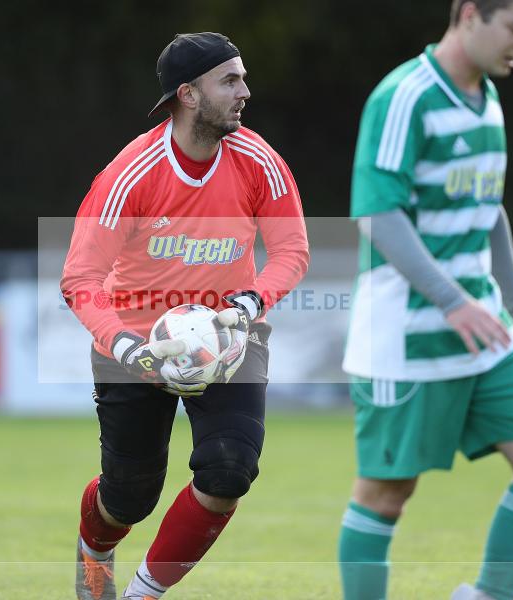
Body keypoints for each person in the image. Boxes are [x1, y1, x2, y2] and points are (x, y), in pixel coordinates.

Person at [60, 32, 309, 600]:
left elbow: (292, 251)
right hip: (135, 347)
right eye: (231, 80)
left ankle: (141, 596)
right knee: (129, 499)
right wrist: (124, 346)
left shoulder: (258, 161)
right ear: (189, 94)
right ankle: (95, 550)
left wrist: (249, 305)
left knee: (229, 472)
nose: (245, 91)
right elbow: (80, 280)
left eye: (243, 77)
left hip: (230, 340)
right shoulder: (130, 173)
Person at [339, 1, 513, 599]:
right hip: (406, 336)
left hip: (484, 331)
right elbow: (377, 216)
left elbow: (487, 211)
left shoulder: (486, 101)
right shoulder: (404, 97)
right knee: (386, 494)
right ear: (470, 14)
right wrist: (450, 300)